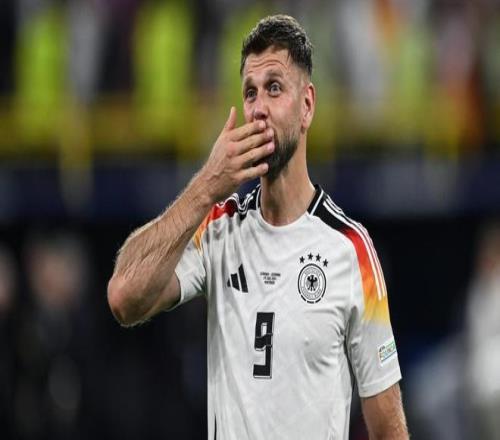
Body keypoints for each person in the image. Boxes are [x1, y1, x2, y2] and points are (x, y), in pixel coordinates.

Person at [108, 14, 409, 440]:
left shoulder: (350, 249)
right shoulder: (219, 229)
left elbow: (388, 428)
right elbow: (124, 297)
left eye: (274, 88)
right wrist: (204, 188)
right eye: (250, 92)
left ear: (307, 106)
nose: (259, 107)